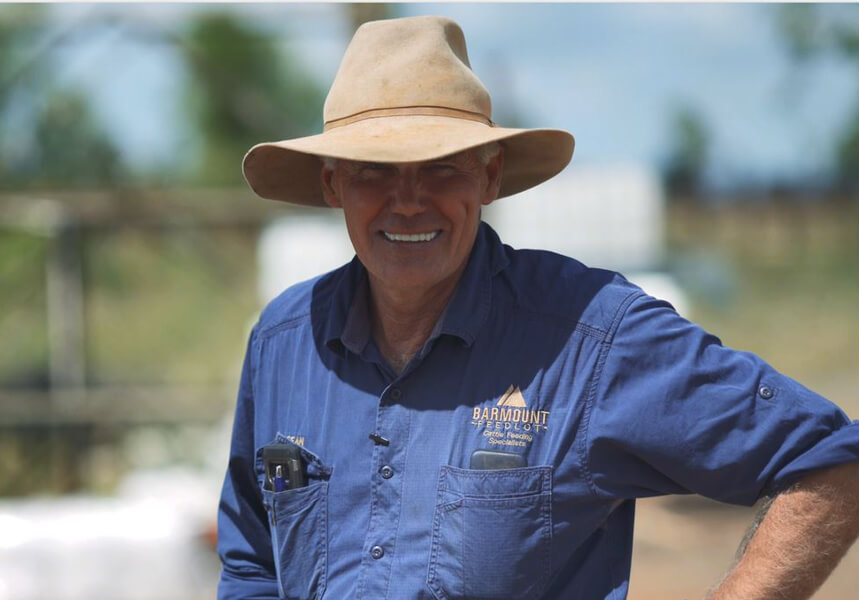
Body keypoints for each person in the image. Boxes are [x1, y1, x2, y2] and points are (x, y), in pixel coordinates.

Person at [217, 15, 859, 600]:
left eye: (441, 168)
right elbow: (251, 563)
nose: (407, 201)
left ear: (489, 177)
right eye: (374, 172)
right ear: (332, 183)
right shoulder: (284, 343)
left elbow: (832, 462)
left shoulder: (592, 338)